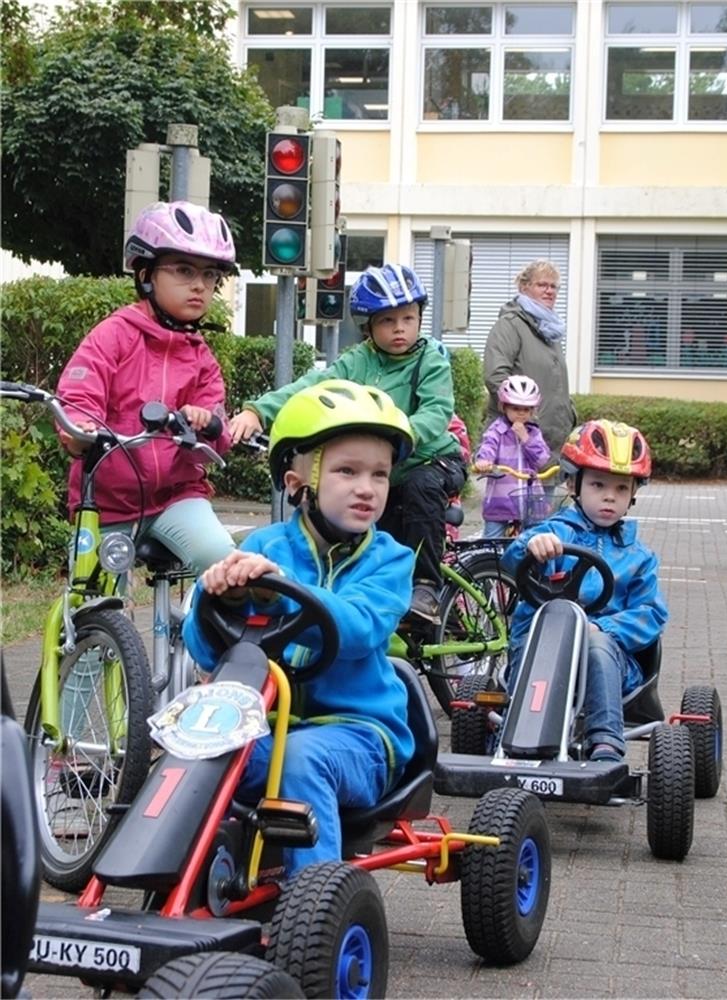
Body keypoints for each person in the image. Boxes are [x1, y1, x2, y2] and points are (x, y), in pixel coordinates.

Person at [183, 380, 416, 877]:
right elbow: (205, 651)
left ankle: (313, 910)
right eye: (346, 471)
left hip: (360, 736)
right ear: (297, 482)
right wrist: (217, 594)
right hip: (265, 728)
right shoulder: (263, 548)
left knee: (302, 761)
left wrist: (283, 589)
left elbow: (356, 630)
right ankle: (173, 891)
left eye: (379, 474)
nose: (366, 488)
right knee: (190, 750)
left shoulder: (390, 560)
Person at [229, 263, 467, 623]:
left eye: (408, 317)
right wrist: (257, 412)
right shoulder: (358, 360)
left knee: (421, 488)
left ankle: (425, 587)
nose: (400, 328)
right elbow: (311, 388)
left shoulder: (430, 358)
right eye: (387, 321)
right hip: (382, 468)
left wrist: (396, 435)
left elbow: (436, 412)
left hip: (431, 460)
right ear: (368, 326)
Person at [56, 200, 237, 575]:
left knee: (220, 558)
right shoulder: (114, 335)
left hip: (176, 496)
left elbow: (215, 436)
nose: (200, 285)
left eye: (210, 276)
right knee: (93, 597)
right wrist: (79, 427)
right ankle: (88, 631)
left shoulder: (201, 357)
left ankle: (200, 634)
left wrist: (208, 425)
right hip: (105, 500)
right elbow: (80, 391)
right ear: (146, 275)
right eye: (184, 271)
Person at [501, 419, 668, 762]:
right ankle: (510, 739)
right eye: (598, 484)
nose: (609, 496)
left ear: (633, 494)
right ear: (573, 483)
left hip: (609, 658)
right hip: (541, 646)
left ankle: (605, 741)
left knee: (594, 644)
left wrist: (602, 627)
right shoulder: (552, 534)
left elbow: (651, 614)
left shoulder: (639, 558)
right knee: (541, 639)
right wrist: (532, 546)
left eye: (621, 489)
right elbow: (510, 562)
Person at [483, 259, 577, 462]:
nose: (549, 291)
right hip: (517, 444)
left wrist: (569, 414)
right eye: (542, 285)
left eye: (554, 286)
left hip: (548, 445)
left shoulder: (549, 331)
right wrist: (523, 416)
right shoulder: (510, 325)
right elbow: (495, 376)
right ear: (524, 287)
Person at [473, 375, 551, 538]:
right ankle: (487, 562)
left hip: (530, 501)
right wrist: (483, 462)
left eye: (526, 410)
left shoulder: (533, 432)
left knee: (536, 539)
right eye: (516, 409)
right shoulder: (497, 430)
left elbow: (542, 460)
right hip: (500, 501)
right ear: (504, 407)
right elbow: (488, 446)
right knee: (490, 543)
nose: (521, 414)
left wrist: (526, 439)